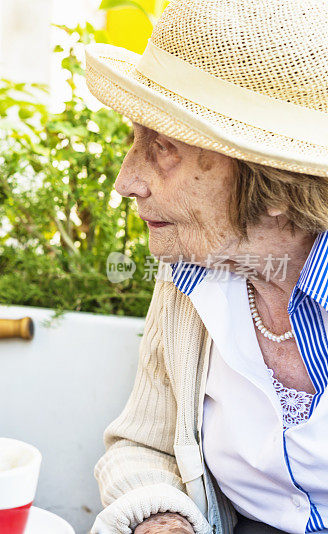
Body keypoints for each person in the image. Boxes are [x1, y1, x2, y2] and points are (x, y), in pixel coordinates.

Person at [85, 0, 328, 532]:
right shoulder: (191, 271)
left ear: (273, 185)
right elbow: (143, 443)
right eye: (134, 140)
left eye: (162, 147)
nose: (127, 181)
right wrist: (165, 517)